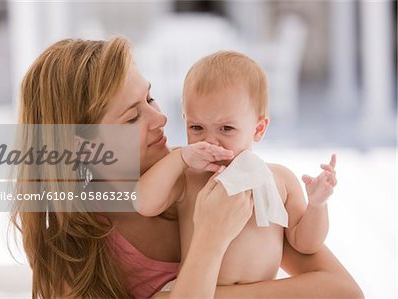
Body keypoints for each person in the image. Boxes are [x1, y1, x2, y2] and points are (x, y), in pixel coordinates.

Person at [10, 37, 363, 298]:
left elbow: (342, 290)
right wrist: (210, 238)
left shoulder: (217, 180)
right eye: (133, 116)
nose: (161, 118)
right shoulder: (74, 248)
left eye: (149, 98)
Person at [136, 51, 338, 286]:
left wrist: (317, 205)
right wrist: (180, 156)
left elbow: (306, 244)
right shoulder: (188, 176)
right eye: (197, 127)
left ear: (258, 129)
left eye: (226, 129)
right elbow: (144, 202)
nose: (210, 141)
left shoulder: (279, 180)